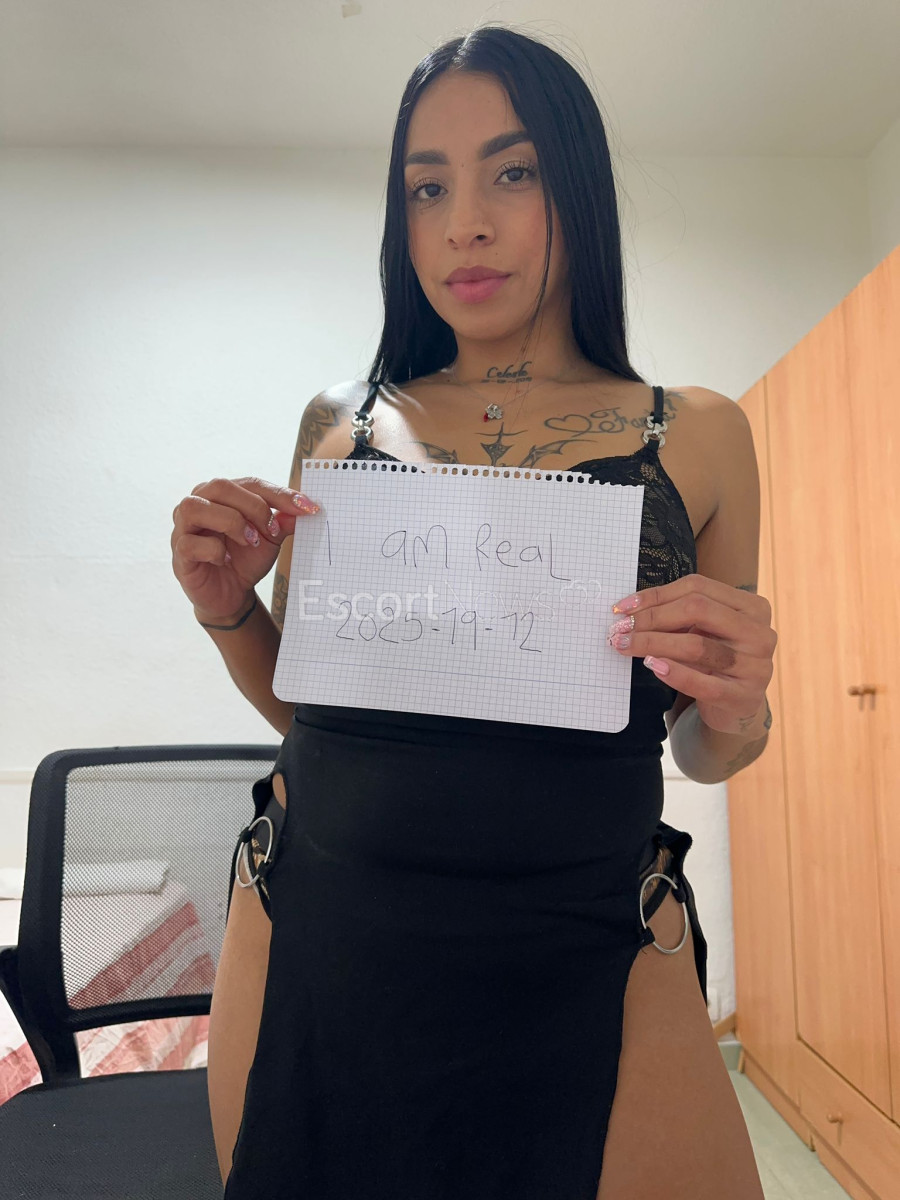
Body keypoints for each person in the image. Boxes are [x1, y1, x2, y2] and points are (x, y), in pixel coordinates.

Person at [171, 24, 772, 1199]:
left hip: (589, 930)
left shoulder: (697, 433)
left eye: (513, 172)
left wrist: (739, 706)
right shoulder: (341, 423)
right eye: (427, 188)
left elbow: (707, 749)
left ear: (577, 190)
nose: (465, 226)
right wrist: (228, 608)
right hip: (323, 924)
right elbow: (310, 714)